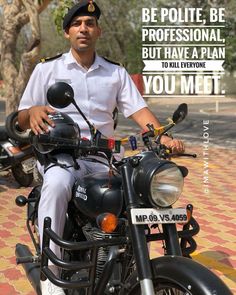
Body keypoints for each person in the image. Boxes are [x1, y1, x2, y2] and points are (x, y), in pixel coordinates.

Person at [18, 1, 184, 294]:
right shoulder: (48, 69)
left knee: (141, 191)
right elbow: (22, 115)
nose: (84, 28)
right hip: (61, 154)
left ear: (99, 31)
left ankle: (127, 259)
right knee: (56, 186)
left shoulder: (114, 72)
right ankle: (50, 274)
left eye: (90, 23)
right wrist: (32, 113)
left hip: (103, 157)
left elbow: (139, 112)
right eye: (78, 23)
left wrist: (162, 137)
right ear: (68, 32)